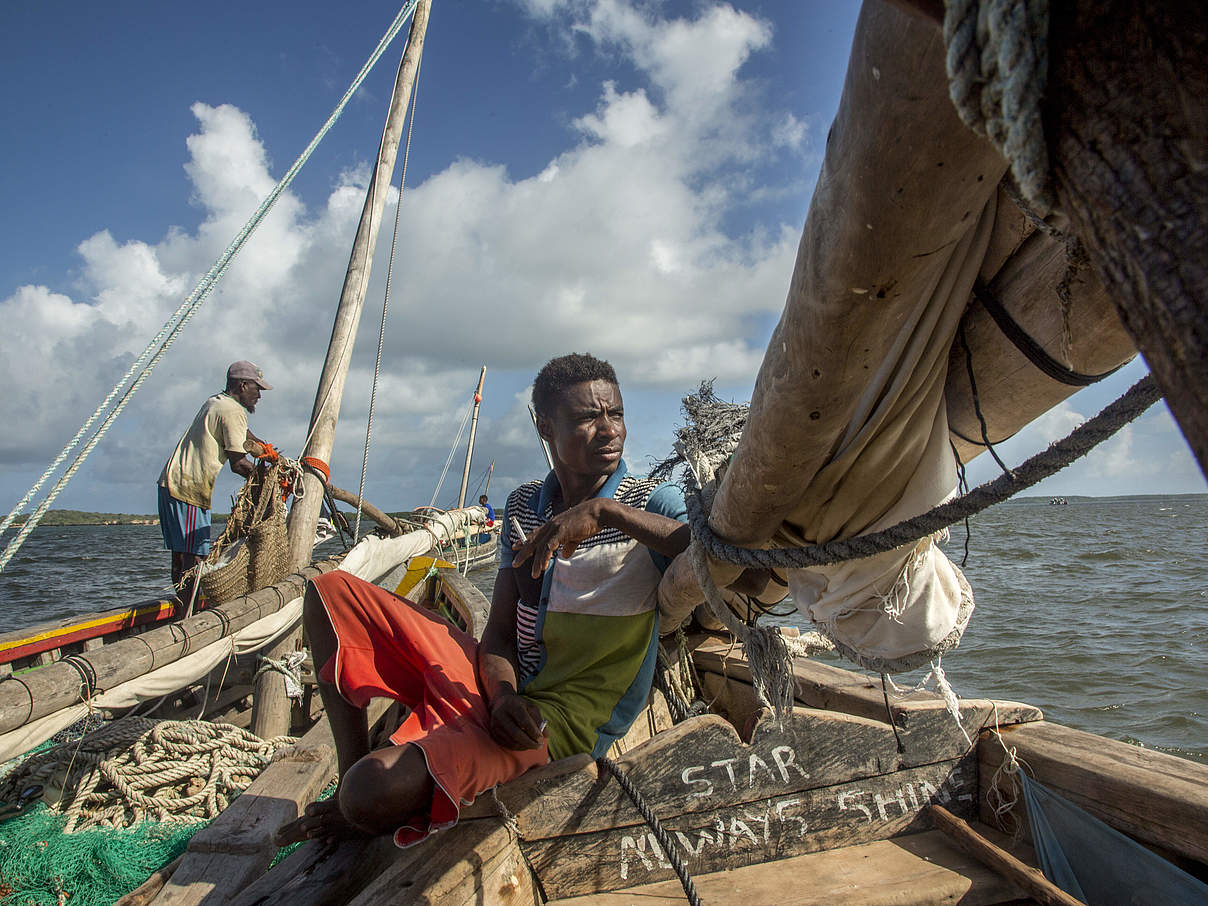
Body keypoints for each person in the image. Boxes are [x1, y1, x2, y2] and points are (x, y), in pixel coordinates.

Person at [275, 352, 691, 848]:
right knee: (329, 593)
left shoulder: (646, 503)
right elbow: (497, 631)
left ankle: (359, 795)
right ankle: (351, 766)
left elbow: (711, 550)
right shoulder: (522, 505)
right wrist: (503, 696)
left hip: (559, 721)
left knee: (372, 792)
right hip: (503, 691)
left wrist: (604, 512)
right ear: (546, 427)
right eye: (587, 417)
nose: (609, 430)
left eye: (615, 413)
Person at [157, 361, 272, 602]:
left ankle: (184, 609)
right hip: (187, 488)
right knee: (193, 556)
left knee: (182, 554)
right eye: (256, 388)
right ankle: (189, 616)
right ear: (243, 385)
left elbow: (244, 434)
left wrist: (269, 453)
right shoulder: (232, 411)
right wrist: (268, 480)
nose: (259, 395)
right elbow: (238, 463)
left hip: (171, 483)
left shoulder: (216, 402)